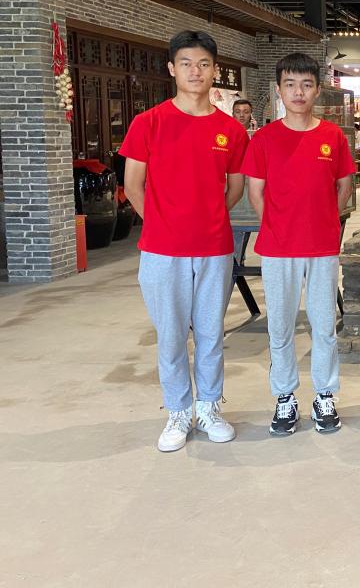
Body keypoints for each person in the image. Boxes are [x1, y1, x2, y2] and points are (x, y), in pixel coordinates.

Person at [120, 30, 249, 452]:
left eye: (204, 64)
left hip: (214, 247)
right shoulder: (149, 122)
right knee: (172, 335)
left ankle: (209, 407)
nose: (196, 71)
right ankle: (178, 410)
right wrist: (162, 224)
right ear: (172, 69)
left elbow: (234, 187)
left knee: (211, 333)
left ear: (215, 71)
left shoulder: (230, 130)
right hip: (162, 250)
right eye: (187, 64)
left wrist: (208, 217)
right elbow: (133, 185)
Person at [242, 53, 355, 436]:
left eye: (306, 85)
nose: (298, 92)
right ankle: (285, 397)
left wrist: (323, 219)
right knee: (281, 327)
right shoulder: (265, 139)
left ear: (317, 90)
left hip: (321, 247)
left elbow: (344, 186)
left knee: (323, 326)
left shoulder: (332, 136)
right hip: (278, 249)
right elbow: (255, 192)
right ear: (279, 90)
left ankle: (325, 395)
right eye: (290, 84)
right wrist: (278, 224)